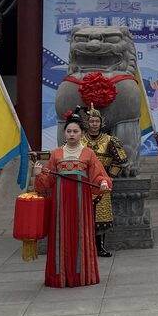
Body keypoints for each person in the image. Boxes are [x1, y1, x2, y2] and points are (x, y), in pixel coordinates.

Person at [33, 108, 112, 288]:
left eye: (75, 131)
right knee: (60, 234)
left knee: (80, 233)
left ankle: (82, 276)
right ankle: (59, 277)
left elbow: (98, 174)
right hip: (60, 203)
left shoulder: (88, 153)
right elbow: (48, 181)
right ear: (64, 133)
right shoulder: (56, 153)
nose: (72, 134)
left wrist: (103, 182)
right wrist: (38, 174)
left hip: (81, 203)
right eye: (69, 131)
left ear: (82, 133)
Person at [81, 105, 127, 258]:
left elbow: (120, 160)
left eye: (96, 121)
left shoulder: (109, 140)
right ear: (87, 123)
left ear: (101, 123)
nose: (94, 124)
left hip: (102, 184)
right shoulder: (79, 141)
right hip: (82, 183)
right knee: (81, 216)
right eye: (91, 121)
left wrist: (110, 177)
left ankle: (99, 247)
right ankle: (83, 247)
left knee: (101, 217)